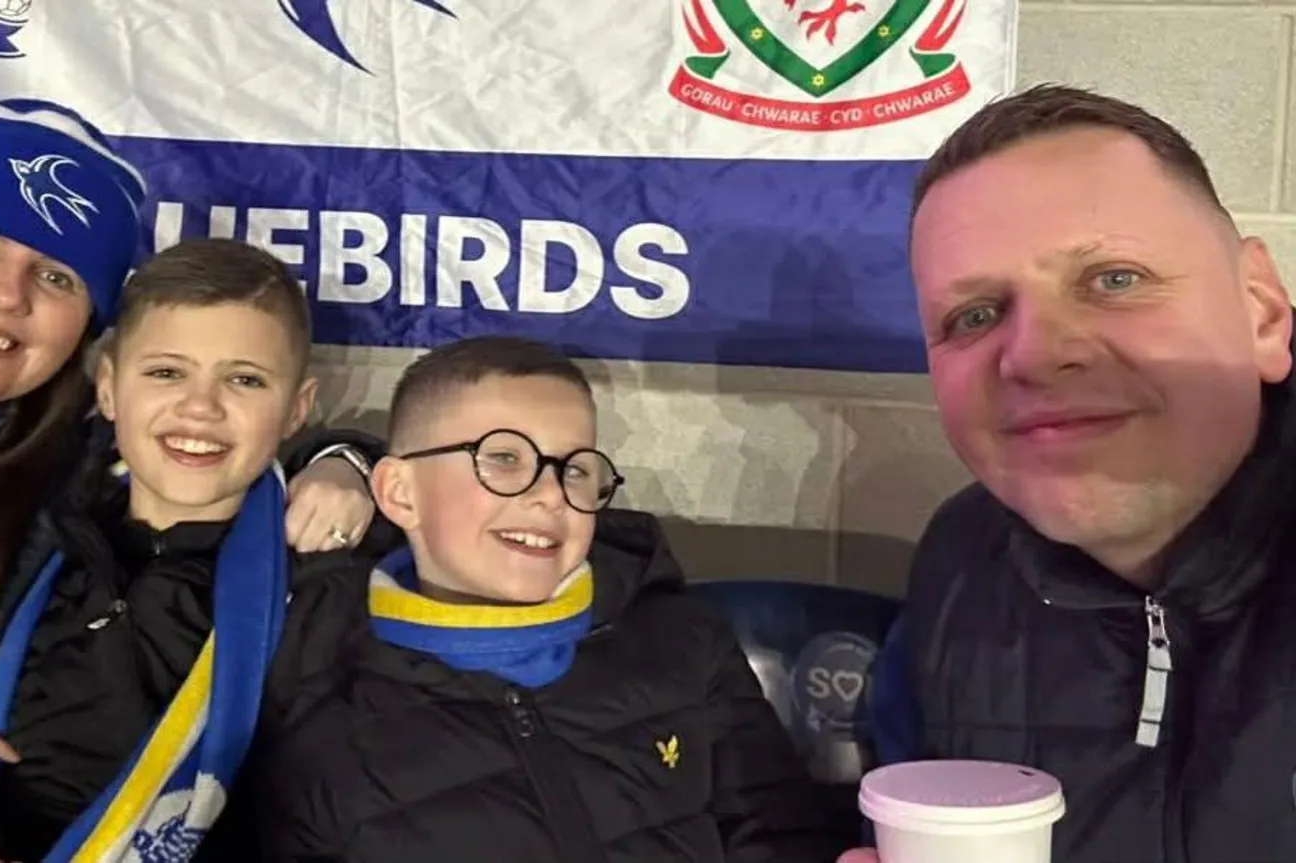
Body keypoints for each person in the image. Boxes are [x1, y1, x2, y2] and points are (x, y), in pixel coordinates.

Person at [0, 102, 376, 861]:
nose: (6, 294)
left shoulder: (60, 464)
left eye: (54, 274)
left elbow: (218, 450)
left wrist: (345, 463)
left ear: (87, 331)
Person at [837, 84, 1296, 863]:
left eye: (1113, 279)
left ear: (1261, 311)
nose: (1035, 354)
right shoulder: (959, 564)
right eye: (973, 316)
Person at [235, 336, 857, 863]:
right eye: (503, 459)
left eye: (577, 468)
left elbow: (781, 834)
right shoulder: (320, 705)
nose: (551, 496)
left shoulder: (680, 641)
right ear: (399, 494)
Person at [0, 237, 391, 862]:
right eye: (166, 372)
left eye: (245, 380)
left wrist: (352, 461)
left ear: (295, 411)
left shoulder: (317, 582)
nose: (200, 407)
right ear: (110, 389)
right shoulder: (20, 528)